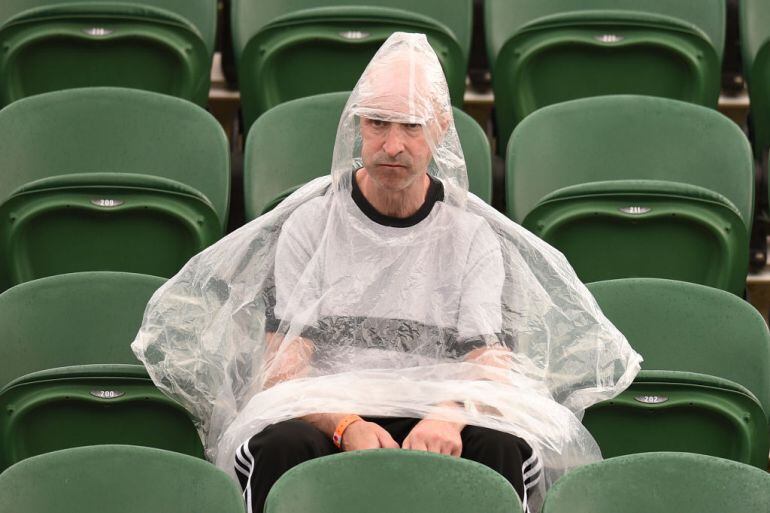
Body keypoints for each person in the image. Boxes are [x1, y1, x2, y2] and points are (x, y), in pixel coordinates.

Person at [132, 33, 641, 513]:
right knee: (276, 444)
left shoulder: (471, 234)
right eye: (377, 123)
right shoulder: (312, 223)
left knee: (509, 448)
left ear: (440, 129)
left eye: (411, 126)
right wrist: (344, 424)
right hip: (332, 405)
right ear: (358, 126)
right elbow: (284, 369)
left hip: (438, 404)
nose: (392, 145)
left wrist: (449, 412)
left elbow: (489, 360)